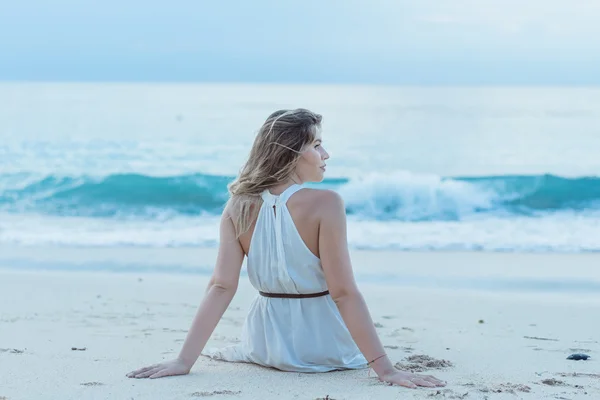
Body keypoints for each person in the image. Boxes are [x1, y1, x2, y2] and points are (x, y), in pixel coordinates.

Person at [126, 109, 446, 389]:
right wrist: (385, 369)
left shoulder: (237, 206)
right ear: (292, 153)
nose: (326, 154)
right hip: (326, 347)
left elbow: (221, 286)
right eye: (317, 145)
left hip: (266, 345)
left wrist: (184, 361)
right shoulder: (327, 203)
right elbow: (343, 292)